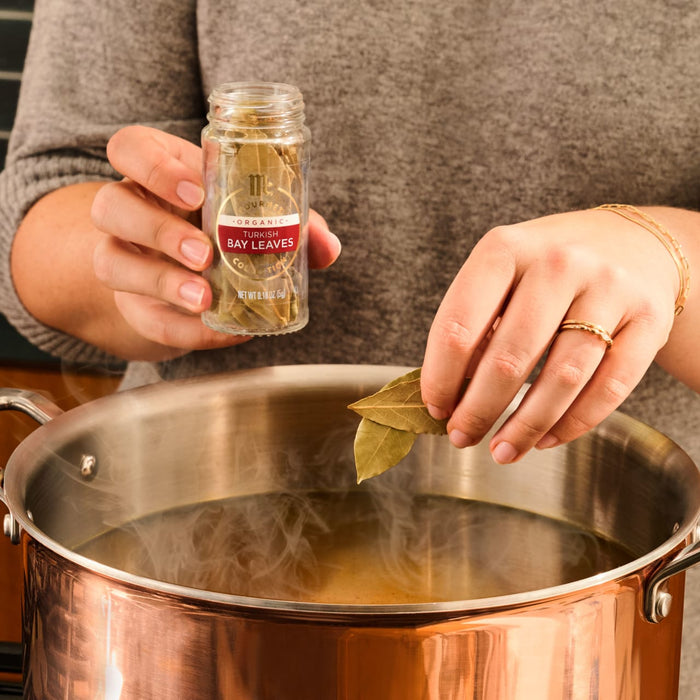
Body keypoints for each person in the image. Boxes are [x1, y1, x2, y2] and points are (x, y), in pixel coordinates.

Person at [0, 0, 699, 692]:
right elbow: (42, 205)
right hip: (177, 638)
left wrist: (673, 258)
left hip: (592, 630)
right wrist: (144, 266)